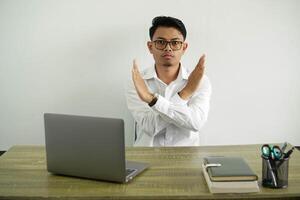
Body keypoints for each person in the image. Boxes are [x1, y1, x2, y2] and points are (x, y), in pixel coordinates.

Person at [126, 16, 211, 146]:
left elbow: (196, 123)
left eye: (175, 42)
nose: (168, 48)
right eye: (161, 42)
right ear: (150, 46)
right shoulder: (137, 82)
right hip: (146, 156)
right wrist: (185, 95)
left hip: (187, 157)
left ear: (184, 47)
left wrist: (152, 100)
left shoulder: (200, 80)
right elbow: (150, 127)